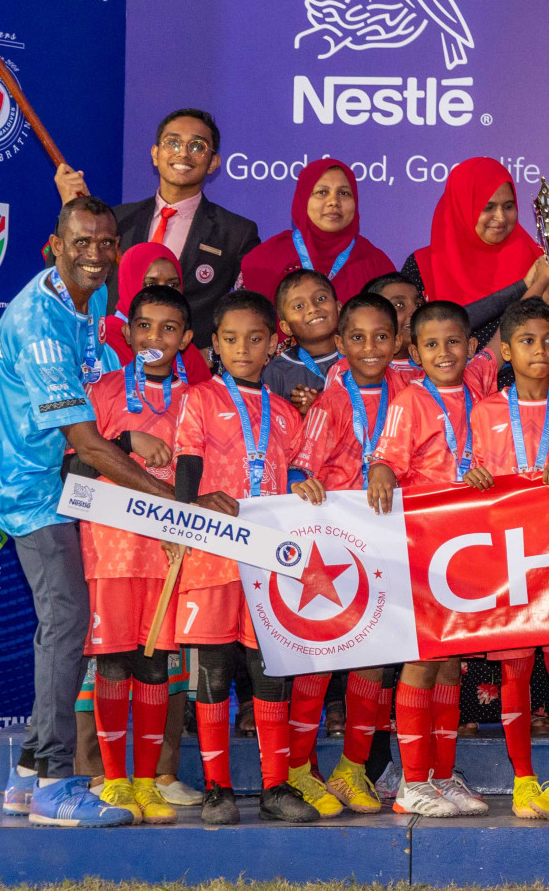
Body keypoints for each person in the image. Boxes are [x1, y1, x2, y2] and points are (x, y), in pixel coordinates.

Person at [0, 195, 185, 827]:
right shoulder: (39, 325)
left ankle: (23, 780)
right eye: (82, 243)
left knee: (62, 626)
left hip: (67, 479)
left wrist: (129, 435)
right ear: (54, 246)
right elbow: (87, 441)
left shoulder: (91, 297)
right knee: (67, 625)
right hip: (33, 490)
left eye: (106, 244)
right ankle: (53, 781)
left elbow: (97, 404)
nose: (96, 255)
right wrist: (168, 500)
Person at [170, 289, 317, 825]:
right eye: (230, 340)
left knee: (268, 670)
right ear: (214, 344)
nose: (243, 349)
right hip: (211, 557)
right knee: (212, 669)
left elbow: (298, 471)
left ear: (274, 344)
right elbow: (187, 466)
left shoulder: (284, 413)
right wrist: (192, 507)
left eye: (255, 339)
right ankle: (216, 788)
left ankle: (276, 788)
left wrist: (303, 483)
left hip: (269, 563)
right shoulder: (198, 398)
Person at [65, 284, 194, 824]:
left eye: (169, 329)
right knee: (113, 661)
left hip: (169, 556)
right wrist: (126, 443)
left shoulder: (200, 399)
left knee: (153, 665)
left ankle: (147, 782)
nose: (155, 338)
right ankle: (113, 780)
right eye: (145, 326)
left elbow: (200, 474)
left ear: (186, 338)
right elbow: (72, 471)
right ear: (128, 332)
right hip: (112, 553)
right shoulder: (104, 392)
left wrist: (183, 525)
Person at [289, 292, 415, 816]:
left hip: (389, 543)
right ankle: (297, 768)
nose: (370, 348)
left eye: (381, 337)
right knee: (320, 658)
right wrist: (302, 482)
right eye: (357, 338)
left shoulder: (411, 390)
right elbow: (299, 467)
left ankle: (351, 769)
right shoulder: (331, 401)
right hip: (337, 548)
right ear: (339, 343)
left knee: (377, 663)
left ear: (398, 342)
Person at [367, 301, 492, 817]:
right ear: (414, 352)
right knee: (420, 661)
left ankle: (440, 775)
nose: (445, 352)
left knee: (449, 665)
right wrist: (379, 472)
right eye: (432, 344)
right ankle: (413, 783)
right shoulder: (410, 400)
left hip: (466, 548)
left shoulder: (482, 394)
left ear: (470, 346)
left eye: (454, 341)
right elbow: (387, 459)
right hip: (422, 546)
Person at [460, 298, 549, 821]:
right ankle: (525, 778)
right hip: (507, 559)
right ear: (506, 349)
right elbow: (468, 474)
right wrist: (474, 477)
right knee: (515, 669)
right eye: (528, 341)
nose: (541, 350)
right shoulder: (484, 411)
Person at [62, 109, 261, 348]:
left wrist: (210, 356)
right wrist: (72, 216)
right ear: (155, 154)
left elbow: (247, 312)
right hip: (113, 361)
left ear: (213, 163)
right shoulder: (116, 220)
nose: (183, 153)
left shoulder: (236, 233)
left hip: (188, 374)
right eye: (173, 143)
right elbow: (67, 281)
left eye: (197, 146)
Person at [403, 157, 549, 348]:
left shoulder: (538, 261)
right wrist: (523, 287)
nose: (500, 217)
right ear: (462, 207)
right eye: (487, 207)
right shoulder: (423, 265)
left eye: (508, 206)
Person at [238, 158, 396, 304]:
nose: (334, 202)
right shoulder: (264, 260)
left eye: (344, 193)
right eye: (322, 192)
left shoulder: (377, 264)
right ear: (303, 199)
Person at [97, 241, 212, 383]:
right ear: (129, 282)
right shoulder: (103, 339)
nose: (163, 293)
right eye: (150, 284)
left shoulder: (186, 349)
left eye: (172, 285)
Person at [263, 269, 342, 411]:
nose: (313, 308)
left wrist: (320, 408)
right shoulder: (278, 371)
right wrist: (302, 416)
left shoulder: (359, 356)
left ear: (338, 308)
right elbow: (271, 425)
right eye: (299, 306)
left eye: (321, 299)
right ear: (286, 327)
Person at [362, 273, 427, 381]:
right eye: (399, 305)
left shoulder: (437, 365)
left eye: (419, 304)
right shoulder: (360, 373)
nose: (415, 311)